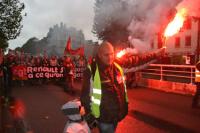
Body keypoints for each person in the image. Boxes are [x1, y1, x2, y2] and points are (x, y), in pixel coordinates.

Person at [80, 41, 165, 133]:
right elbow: (85, 97)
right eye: (106, 55)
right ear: (99, 55)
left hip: (117, 115)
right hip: (102, 118)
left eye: (112, 54)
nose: (110, 58)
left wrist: (156, 55)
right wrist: (91, 120)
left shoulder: (117, 64)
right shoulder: (91, 71)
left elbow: (136, 62)